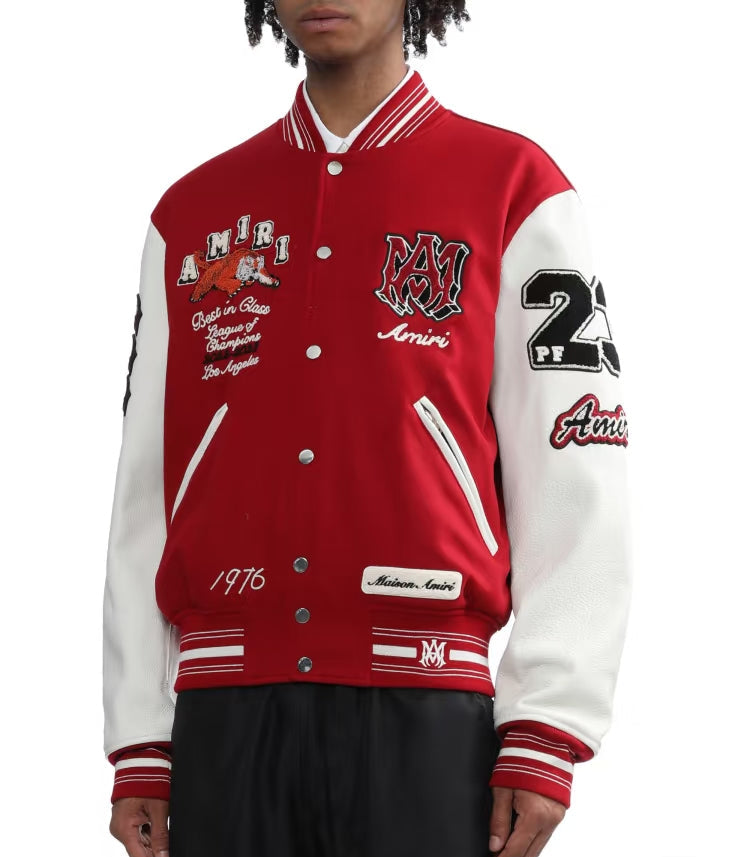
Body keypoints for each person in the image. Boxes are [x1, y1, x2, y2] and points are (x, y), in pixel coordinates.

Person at [103, 2, 632, 856]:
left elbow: (576, 460)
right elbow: (145, 486)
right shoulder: (192, 215)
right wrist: (140, 734)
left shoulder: (515, 189)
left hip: (429, 712)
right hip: (224, 715)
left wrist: (548, 720)